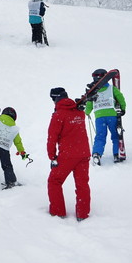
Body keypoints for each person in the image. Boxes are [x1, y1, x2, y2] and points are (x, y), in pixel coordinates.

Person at [46, 87, 91, 221]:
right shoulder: (79, 112)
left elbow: (52, 137)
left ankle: (58, 212)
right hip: (83, 154)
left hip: (67, 155)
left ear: (55, 99)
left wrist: (52, 157)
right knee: (82, 184)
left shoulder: (59, 115)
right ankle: (83, 215)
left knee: (54, 181)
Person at [85, 68, 127, 164]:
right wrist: (123, 108)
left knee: (100, 136)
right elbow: (120, 97)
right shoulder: (112, 88)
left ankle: (97, 153)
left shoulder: (93, 92)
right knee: (115, 135)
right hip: (112, 115)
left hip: (99, 117)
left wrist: (87, 112)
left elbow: (89, 104)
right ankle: (116, 154)